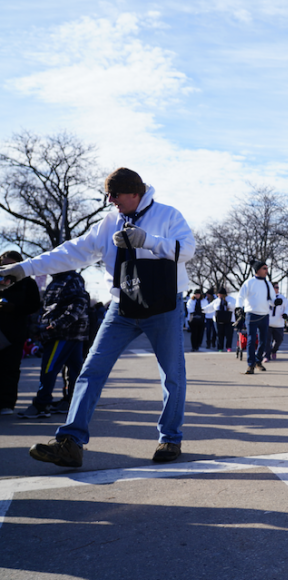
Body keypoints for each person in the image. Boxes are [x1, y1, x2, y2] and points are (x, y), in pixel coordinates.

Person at [0, 168, 195, 467]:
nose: (110, 200)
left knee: (172, 375)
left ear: (135, 193)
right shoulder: (109, 223)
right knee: (91, 370)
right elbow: (73, 252)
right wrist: (24, 268)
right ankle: (70, 441)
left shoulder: (168, 215)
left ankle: (170, 438)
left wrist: (149, 240)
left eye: (115, 195)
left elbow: (187, 249)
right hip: (122, 307)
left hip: (163, 306)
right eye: (108, 194)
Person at [18, 270, 89, 419]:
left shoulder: (70, 279)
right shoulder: (61, 279)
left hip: (62, 333)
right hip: (68, 332)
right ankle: (71, 401)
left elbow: (79, 303)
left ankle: (42, 404)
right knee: (75, 370)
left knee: (49, 368)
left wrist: (58, 324)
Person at [0, 250, 43, 416]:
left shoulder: (27, 283)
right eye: (2, 265)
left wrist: (14, 308)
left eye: (9, 265)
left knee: (10, 368)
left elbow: (33, 306)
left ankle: (6, 404)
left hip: (15, 333)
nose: (5, 268)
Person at [238, 260, 275, 374]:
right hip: (251, 314)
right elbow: (240, 296)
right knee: (251, 339)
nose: (266, 271)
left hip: (264, 315)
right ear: (257, 270)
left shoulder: (268, 284)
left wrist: (276, 302)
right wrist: (239, 308)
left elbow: (272, 300)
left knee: (264, 341)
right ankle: (250, 365)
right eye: (264, 268)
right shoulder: (249, 282)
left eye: (267, 268)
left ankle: (258, 360)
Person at [267, 281, 288, 360]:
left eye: (278, 287)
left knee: (279, 339)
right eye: (275, 287)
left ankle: (274, 351)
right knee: (266, 340)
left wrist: (286, 314)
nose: (277, 289)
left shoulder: (283, 298)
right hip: (268, 322)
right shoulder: (267, 297)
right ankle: (266, 354)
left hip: (279, 323)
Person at [209, 287, 236, 352]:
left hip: (229, 319)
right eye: (218, 294)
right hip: (218, 319)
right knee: (219, 334)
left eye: (220, 294)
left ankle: (228, 347)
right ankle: (220, 347)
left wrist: (227, 304)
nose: (219, 295)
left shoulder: (231, 299)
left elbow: (234, 306)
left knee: (228, 334)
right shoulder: (216, 300)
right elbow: (210, 307)